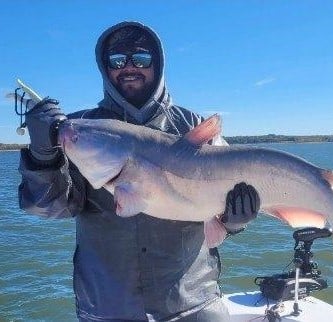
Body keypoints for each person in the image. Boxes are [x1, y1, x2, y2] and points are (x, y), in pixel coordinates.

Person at [18, 21, 259, 321]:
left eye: (141, 59)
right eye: (117, 60)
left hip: (194, 301)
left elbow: (224, 208)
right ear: (104, 68)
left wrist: (234, 222)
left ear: (158, 65)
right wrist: (43, 154)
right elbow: (48, 207)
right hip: (107, 306)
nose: (129, 67)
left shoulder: (194, 126)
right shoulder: (80, 130)